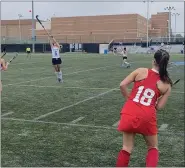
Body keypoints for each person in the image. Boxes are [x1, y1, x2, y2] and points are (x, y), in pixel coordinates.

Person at [116, 49, 172, 167]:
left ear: (153, 61)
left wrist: (129, 99)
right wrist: (156, 98)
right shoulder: (166, 84)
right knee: (153, 148)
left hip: (129, 111)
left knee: (126, 148)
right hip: (147, 115)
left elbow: (122, 85)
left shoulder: (141, 71)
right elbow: (159, 107)